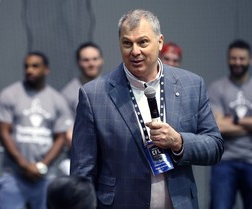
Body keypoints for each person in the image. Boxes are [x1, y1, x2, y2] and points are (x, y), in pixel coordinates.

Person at [70, 9, 224, 209]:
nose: (135, 51)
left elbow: (215, 146)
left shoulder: (192, 85)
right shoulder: (94, 94)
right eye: (127, 43)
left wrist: (179, 142)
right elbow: (82, 170)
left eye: (143, 42)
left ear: (159, 42)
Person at [0, 51, 71, 209]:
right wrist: (24, 165)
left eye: (35, 66)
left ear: (46, 70)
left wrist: (42, 166)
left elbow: (61, 138)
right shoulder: (9, 94)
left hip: (46, 177)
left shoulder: (57, 100)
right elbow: (4, 133)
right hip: (13, 175)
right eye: (26, 66)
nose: (29, 70)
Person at [208, 39, 252, 209]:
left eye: (242, 58)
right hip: (224, 161)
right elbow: (217, 126)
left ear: (249, 60)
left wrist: (232, 120)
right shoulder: (217, 88)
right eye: (233, 58)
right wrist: (248, 126)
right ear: (228, 59)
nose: (237, 62)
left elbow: (225, 124)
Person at [59, 42, 104, 175]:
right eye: (86, 60)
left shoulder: (112, 87)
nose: (91, 64)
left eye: (95, 59)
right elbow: (68, 134)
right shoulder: (68, 93)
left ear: (101, 60)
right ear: (78, 62)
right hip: (81, 162)